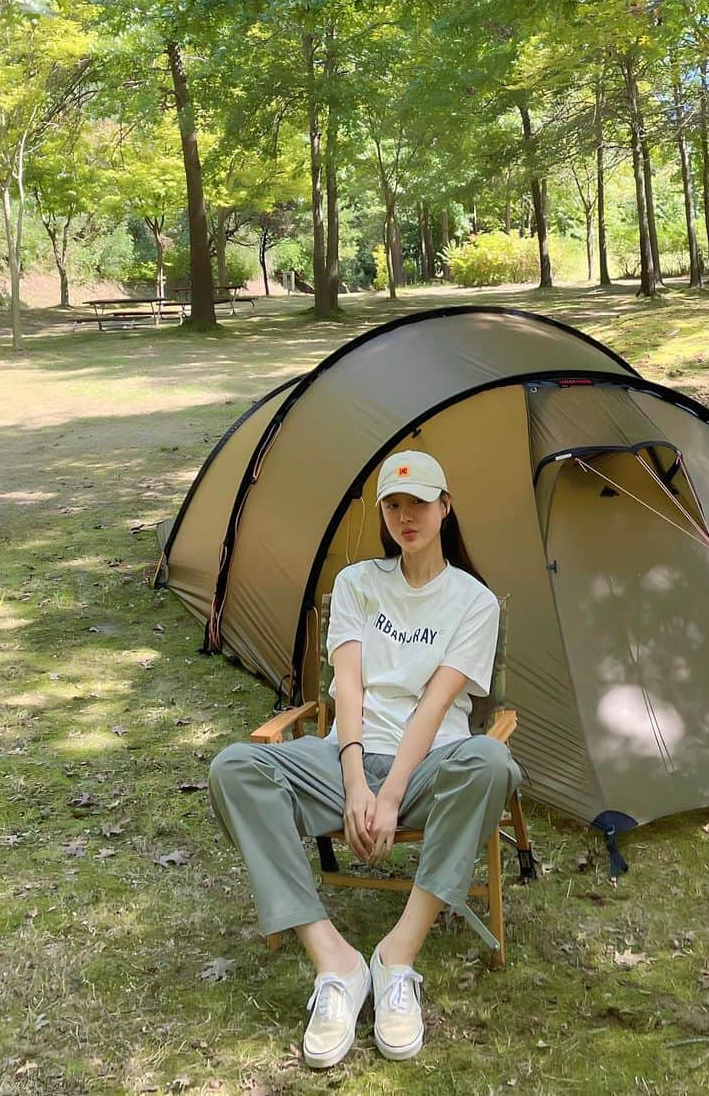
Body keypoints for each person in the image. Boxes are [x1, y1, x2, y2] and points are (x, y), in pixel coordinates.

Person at [208, 450, 521, 1068]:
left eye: (420, 502)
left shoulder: (473, 602)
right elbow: (346, 685)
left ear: (445, 507)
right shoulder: (356, 584)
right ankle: (337, 962)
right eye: (393, 504)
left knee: (490, 762)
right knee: (234, 768)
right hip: (344, 758)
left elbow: (435, 705)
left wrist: (390, 793)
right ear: (382, 512)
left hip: (432, 765)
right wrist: (355, 782)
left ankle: (396, 955)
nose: (406, 516)